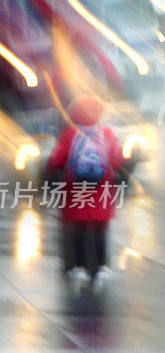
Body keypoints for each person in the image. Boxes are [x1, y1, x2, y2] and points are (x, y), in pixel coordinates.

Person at [46, 95, 124, 293]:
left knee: (78, 230)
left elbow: (56, 161)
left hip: (76, 192)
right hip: (101, 192)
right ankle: (101, 267)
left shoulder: (70, 134)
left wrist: (51, 180)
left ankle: (78, 268)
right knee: (100, 231)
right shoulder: (106, 133)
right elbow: (118, 160)